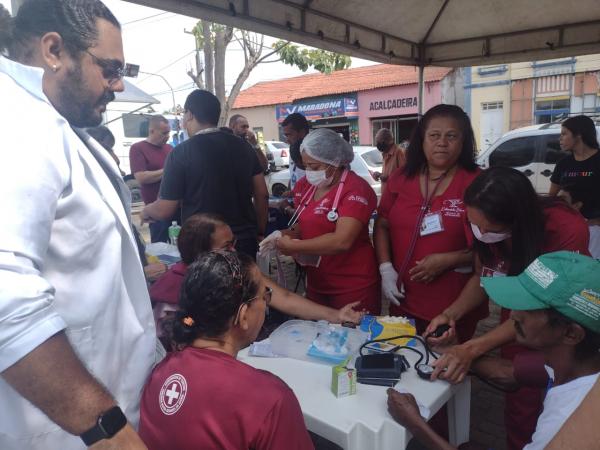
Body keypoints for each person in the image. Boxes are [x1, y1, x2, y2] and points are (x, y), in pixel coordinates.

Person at [0, 1, 154, 449]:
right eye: (109, 69)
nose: (119, 85)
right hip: (72, 430)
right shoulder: (18, 123)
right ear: (54, 51)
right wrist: (105, 428)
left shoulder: (56, 122)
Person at [426, 167, 590, 449]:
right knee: (520, 403)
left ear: (518, 221)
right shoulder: (482, 222)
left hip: (552, 323)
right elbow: (484, 276)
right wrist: (450, 314)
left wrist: (471, 349)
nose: (481, 233)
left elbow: (548, 310)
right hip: (522, 318)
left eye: (491, 229)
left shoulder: (564, 229)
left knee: (548, 403)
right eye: (475, 225)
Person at [387, 251, 600, 450]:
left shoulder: (572, 420)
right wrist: (453, 350)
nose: (513, 314)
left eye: (529, 308)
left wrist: (415, 423)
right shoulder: (573, 364)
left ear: (571, 334)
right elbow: (507, 374)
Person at [139, 250, 315, 450]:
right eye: (264, 295)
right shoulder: (269, 399)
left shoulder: (160, 372)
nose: (266, 302)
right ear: (243, 315)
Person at [150, 213, 364, 341]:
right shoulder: (172, 290)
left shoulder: (237, 269)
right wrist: (196, 323)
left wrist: (336, 316)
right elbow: (180, 322)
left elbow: (284, 297)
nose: (235, 250)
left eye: (233, 242)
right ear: (203, 254)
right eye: (227, 246)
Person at [374, 104, 481, 341]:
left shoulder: (478, 182)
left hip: (454, 304)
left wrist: (451, 259)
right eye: (434, 135)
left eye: (451, 136)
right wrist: (385, 268)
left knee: (445, 368)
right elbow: (382, 224)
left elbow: (497, 251)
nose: (442, 142)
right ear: (421, 140)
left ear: (463, 142)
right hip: (402, 298)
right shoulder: (401, 178)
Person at [142, 90, 269, 259]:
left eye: (184, 114)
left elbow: (165, 209)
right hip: (243, 241)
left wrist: (147, 210)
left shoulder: (181, 152)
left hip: (203, 246)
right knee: (246, 284)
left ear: (190, 114)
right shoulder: (243, 147)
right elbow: (262, 194)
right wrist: (259, 230)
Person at [274, 128, 381, 313]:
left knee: (355, 338)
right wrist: (283, 235)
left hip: (352, 285)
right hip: (317, 283)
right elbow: (307, 222)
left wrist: (294, 247)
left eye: (314, 167)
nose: (309, 172)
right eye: (306, 166)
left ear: (335, 161)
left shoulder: (356, 189)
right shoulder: (309, 187)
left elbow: (342, 241)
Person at [130, 115, 174, 242]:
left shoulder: (169, 148)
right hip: (155, 210)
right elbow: (141, 177)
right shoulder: (138, 148)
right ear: (152, 131)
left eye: (169, 132)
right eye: (164, 133)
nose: (167, 136)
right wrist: (169, 171)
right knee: (160, 248)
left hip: (173, 207)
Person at [549, 115, 600, 221]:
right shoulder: (563, 163)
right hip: (570, 224)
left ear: (578, 135)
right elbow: (552, 197)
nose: (560, 138)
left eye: (564, 134)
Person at [559, 183, 600, 258]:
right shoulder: (552, 225)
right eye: (556, 199)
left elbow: (591, 264)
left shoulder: (593, 232)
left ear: (577, 205)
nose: (556, 202)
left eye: (562, 200)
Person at [282, 112, 310, 191]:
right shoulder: (293, 149)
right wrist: (289, 191)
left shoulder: (314, 153)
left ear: (302, 132)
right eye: (285, 135)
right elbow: (293, 174)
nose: (287, 140)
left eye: (289, 135)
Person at [373, 127, 406, 192]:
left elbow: (404, 176)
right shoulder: (385, 153)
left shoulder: (399, 153)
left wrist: (388, 178)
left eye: (379, 142)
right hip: (386, 195)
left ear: (386, 141)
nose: (377, 144)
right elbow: (388, 174)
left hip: (395, 196)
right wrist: (380, 174)